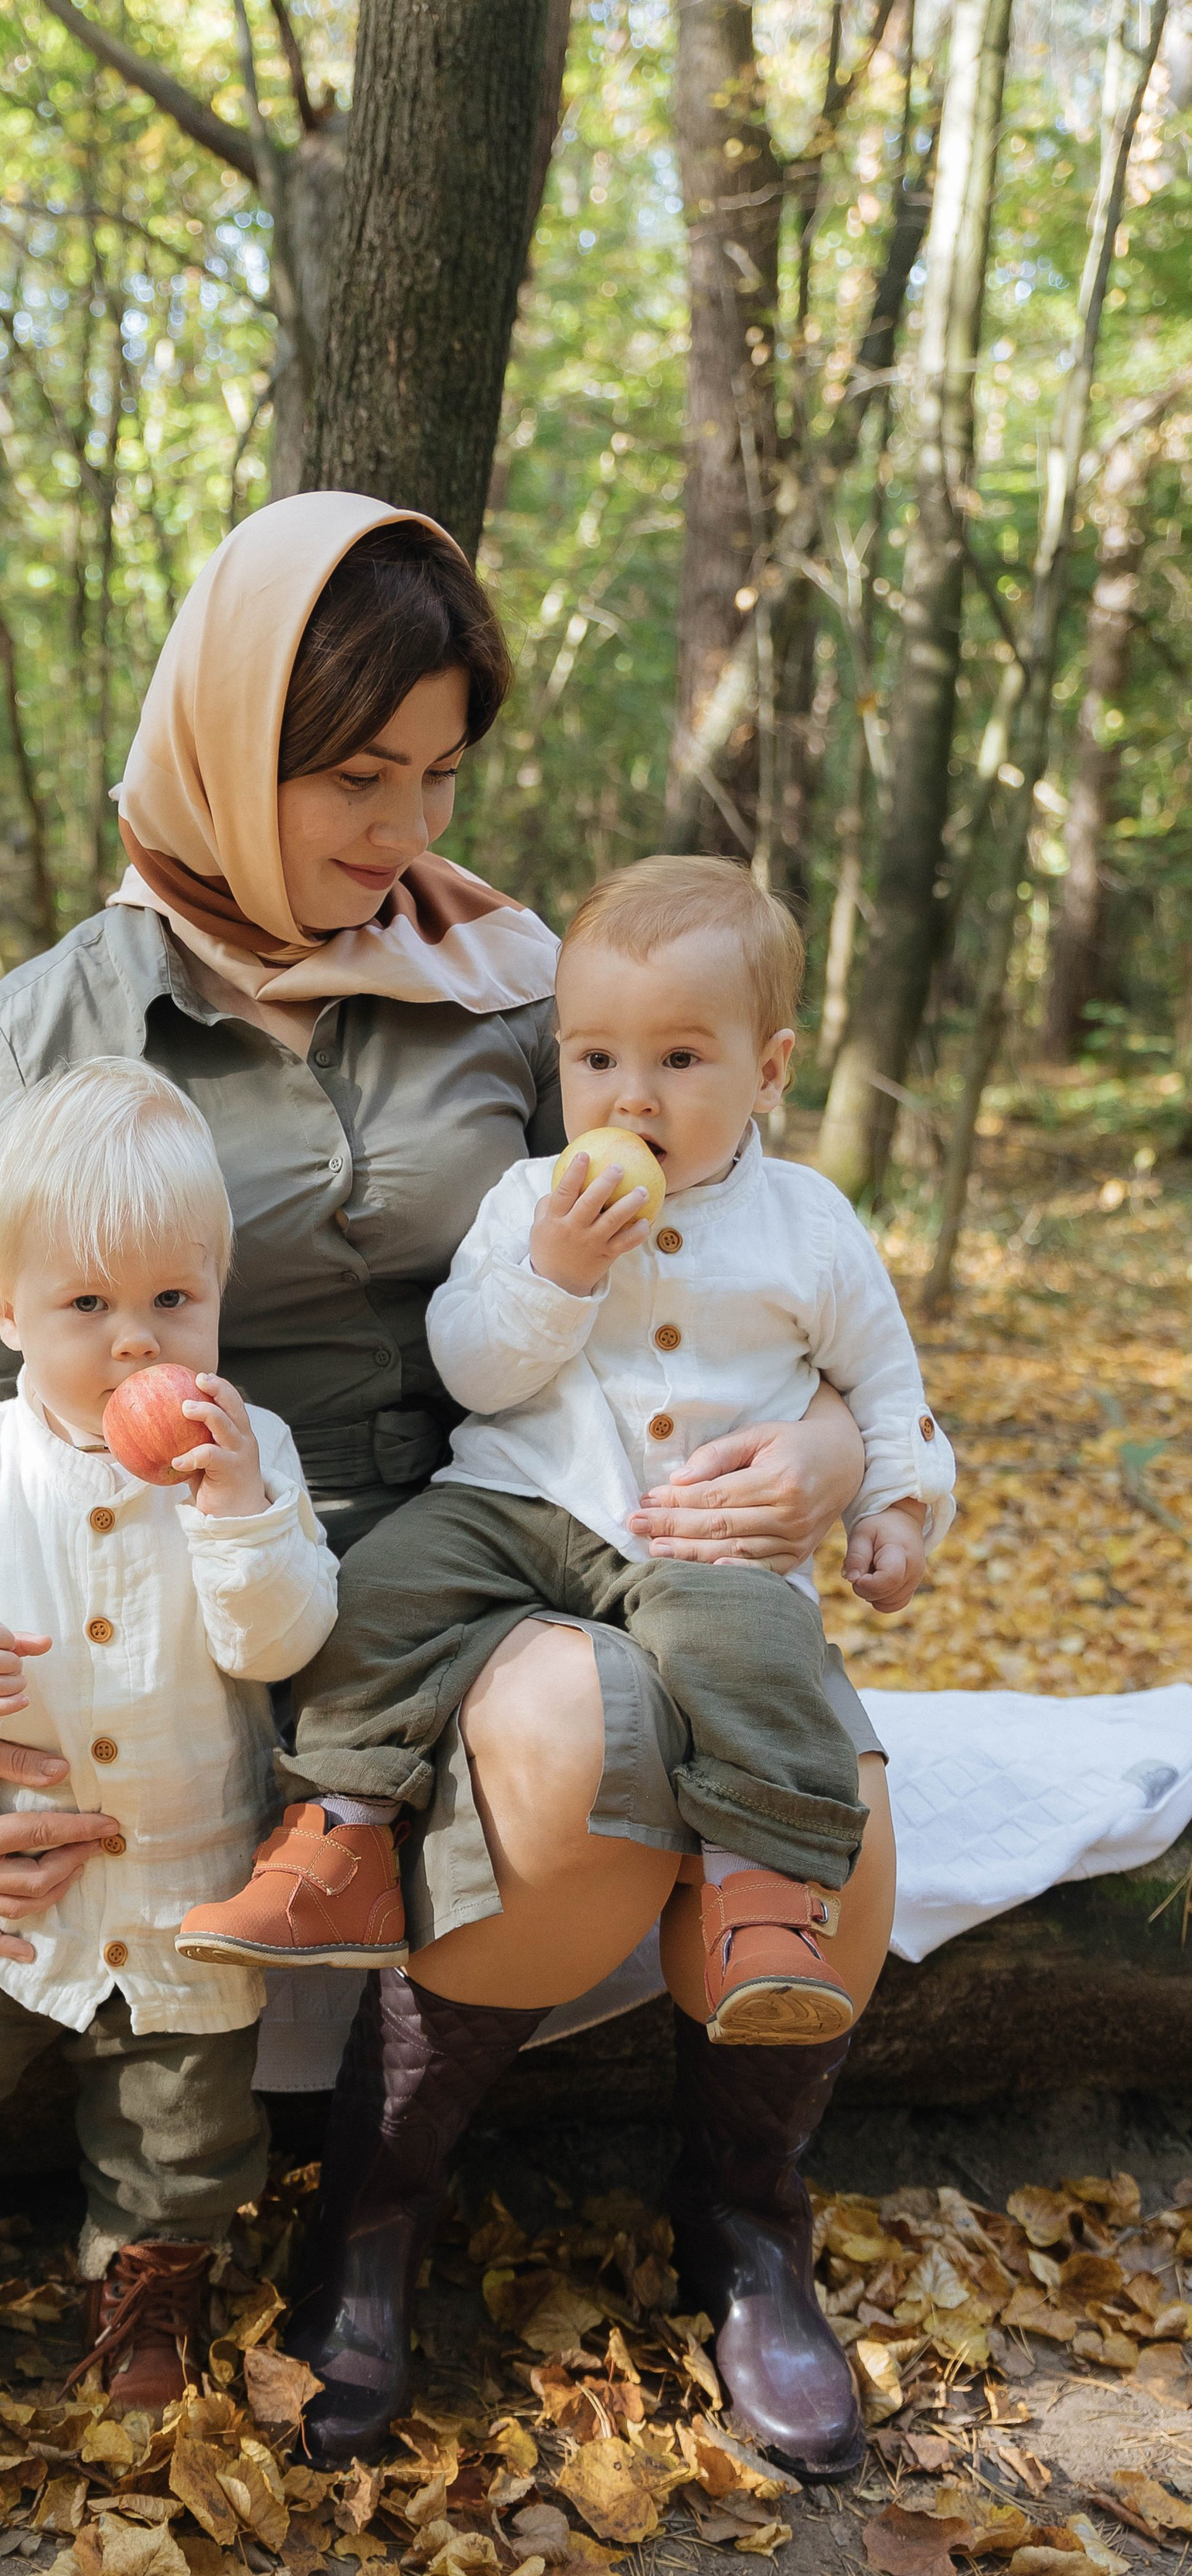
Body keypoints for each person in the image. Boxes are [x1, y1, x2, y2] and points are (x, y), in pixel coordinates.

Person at [0, 490, 894, 2492]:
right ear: (224, 737)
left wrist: (828, 1451)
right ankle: (368, 2229)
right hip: (214, 1600)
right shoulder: (45, 1033)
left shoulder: (514, 985)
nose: (402, 826)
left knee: (835, 1781)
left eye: (441, 772)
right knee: (583, 1730)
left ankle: (749, 2232)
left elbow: (745, 1258)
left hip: (538, 1510)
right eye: (352, 774)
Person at [179, 856, 955, 2053]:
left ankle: (766, 1891)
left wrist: (892, 1506)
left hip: (697, 1533)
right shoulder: (531, 1199)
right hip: (519, 1500)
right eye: (595, 1060)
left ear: (772, 1070)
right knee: (379, 1596)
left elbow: (885, 1380)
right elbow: (472, 1366)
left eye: (680, 1061)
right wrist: (558, 1274)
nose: (629, 1100)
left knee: (757, 1651)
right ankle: (339, 1827)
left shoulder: (810, 1224)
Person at [0, 1060, 335, 2458]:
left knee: (186, 2131)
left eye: (172, 1301)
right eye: (88, 1307)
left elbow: (280, 1640)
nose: (136, 1345)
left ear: (219, 1289)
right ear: (8, 1309)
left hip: (180, 1884)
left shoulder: (250, 1454)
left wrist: (235, 1514)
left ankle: (147, 2297)